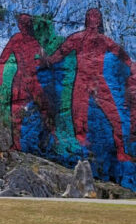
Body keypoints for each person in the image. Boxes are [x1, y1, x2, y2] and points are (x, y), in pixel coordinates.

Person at [48, 8, 131, 161]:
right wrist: (46, 60)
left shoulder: (104, 40)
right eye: (89, 16)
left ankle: (121, 151)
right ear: (86, 19)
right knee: (78, 118)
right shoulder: (77, 38)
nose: (92, 19)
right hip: (82, 80)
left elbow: (120, 52)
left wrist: (131, 65)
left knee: (116, 118)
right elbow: (60, 54)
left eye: (96, 16)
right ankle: (82, 153)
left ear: (99, 20)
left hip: (98, 81)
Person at [0, 14, 54, 151]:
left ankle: (46, 140)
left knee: (24, 112)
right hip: (28, 79)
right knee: (32, 110)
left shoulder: (26, 41)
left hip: (24, 79)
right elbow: (46, 61)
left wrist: (1, 77)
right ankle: (21, 143)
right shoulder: (30, 41)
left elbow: (3, 59)